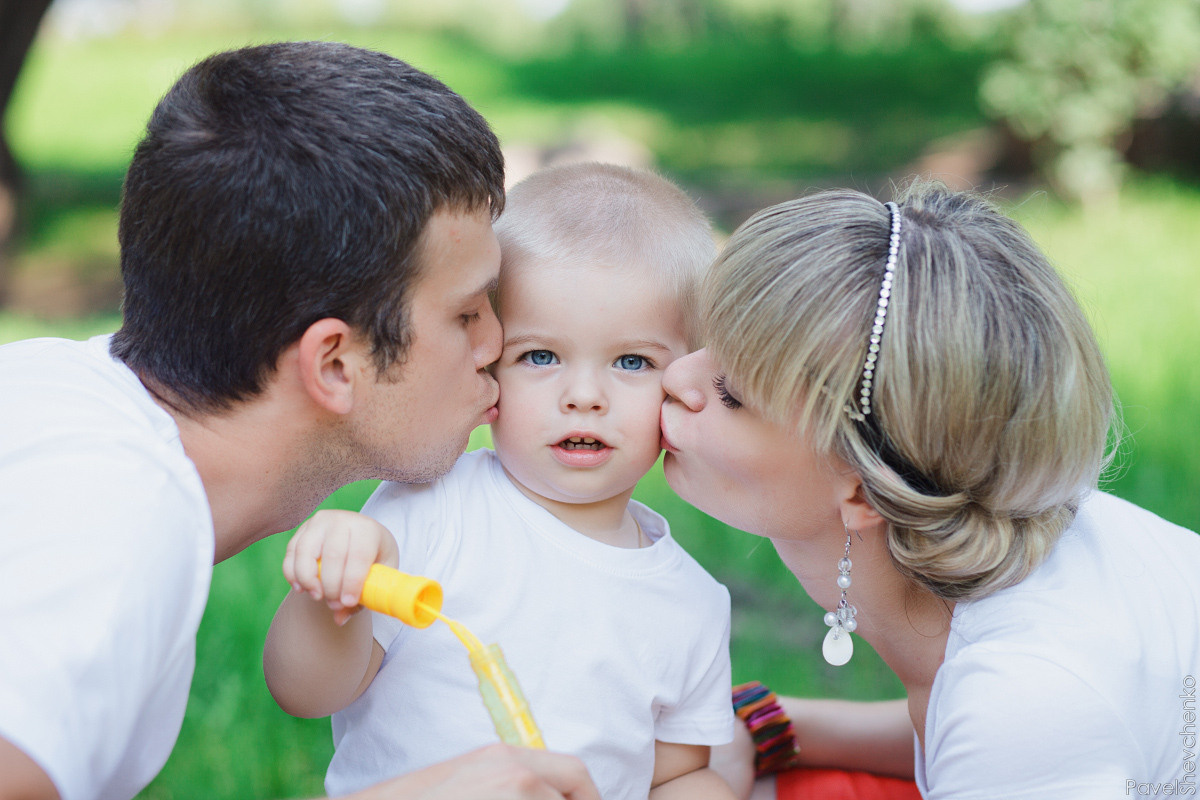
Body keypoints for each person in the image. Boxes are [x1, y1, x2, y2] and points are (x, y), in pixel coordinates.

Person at [0, 41, 599, 800]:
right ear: (335, 365)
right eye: (467, 312)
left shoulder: (53, 393)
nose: (496, 345)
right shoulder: (114, 525)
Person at [661, 181, 1200, 799]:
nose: (677, 375)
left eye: (732, 393)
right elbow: (952, 720)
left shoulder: (1024, 700)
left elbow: (1005, 735)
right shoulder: (1048, 534)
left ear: (868, 491)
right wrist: (767, 724)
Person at [263, 162, 738, 800]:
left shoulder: (692, 604)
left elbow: (679, 773)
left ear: (682, 383)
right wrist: (332, 598)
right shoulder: (430, 513)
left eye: (632, 361)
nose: (584, 396)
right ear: (489, 368)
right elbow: (305, 692)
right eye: (540, 356)